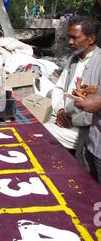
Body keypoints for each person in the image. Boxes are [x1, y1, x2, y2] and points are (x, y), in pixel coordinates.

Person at [44, 17, 101, 160]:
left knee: (40, 134)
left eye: (75, 38)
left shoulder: (98, 62)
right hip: (64, 120)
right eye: (69, 37)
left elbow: (93, 109)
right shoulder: (73, 59)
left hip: (84, 130)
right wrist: (61, 110)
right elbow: (59, 88)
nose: (70, 42)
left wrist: (71, 118)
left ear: (91, 39)